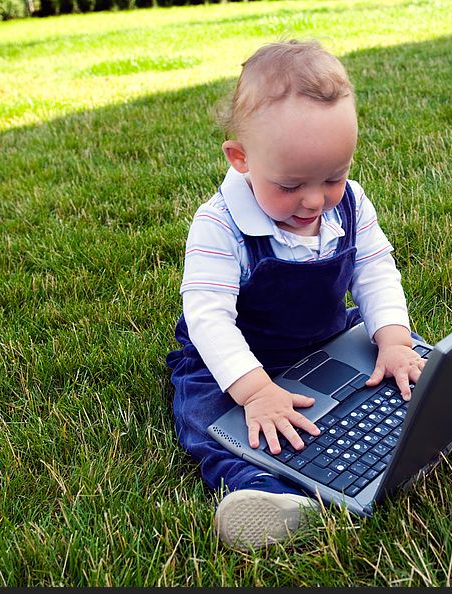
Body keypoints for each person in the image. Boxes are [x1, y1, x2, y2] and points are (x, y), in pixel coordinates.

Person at [166, 40, 424, 550]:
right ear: (240, 158)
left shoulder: (348, 204)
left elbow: (374, 270)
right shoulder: (220, 225)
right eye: (289, 185)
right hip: (239, 362)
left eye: (333, 175)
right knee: (207, 418)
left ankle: (451, 403)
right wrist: (257, 393)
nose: (314, 200)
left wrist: (393, 338)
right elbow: (210, 321)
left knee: (404, 359)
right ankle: (260, 491)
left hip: (325, 339)